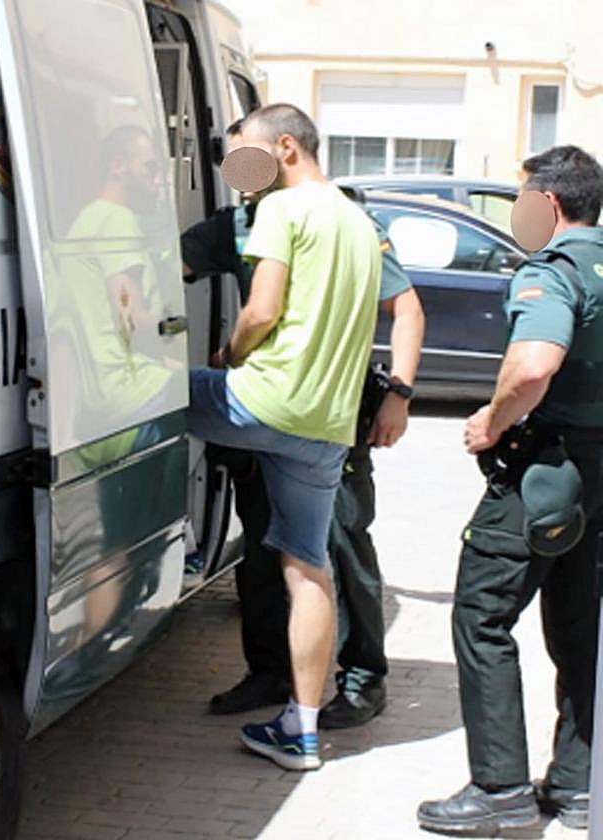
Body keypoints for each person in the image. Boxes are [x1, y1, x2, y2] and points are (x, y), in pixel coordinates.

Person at [184, 123, 425, 729]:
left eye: (244, 151)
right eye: (227, 155)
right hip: (269, 407)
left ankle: (363, 677)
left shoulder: (344, 217)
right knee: (265, 549)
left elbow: (408, 308)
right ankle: (273, 674)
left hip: (315, 406)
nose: (234, 164)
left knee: (341, 544)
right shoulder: (238, 221)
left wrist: (399, 392)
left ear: (283, 148)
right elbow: (167, 262)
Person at [417, 145, 603, 834]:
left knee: (481, 615)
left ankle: (499, 789)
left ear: (547, 205)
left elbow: (531, 367)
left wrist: (491, 425)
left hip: (544, 469)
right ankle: (579, 784)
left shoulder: (551, 271)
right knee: (581, 624)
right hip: (596, 473)